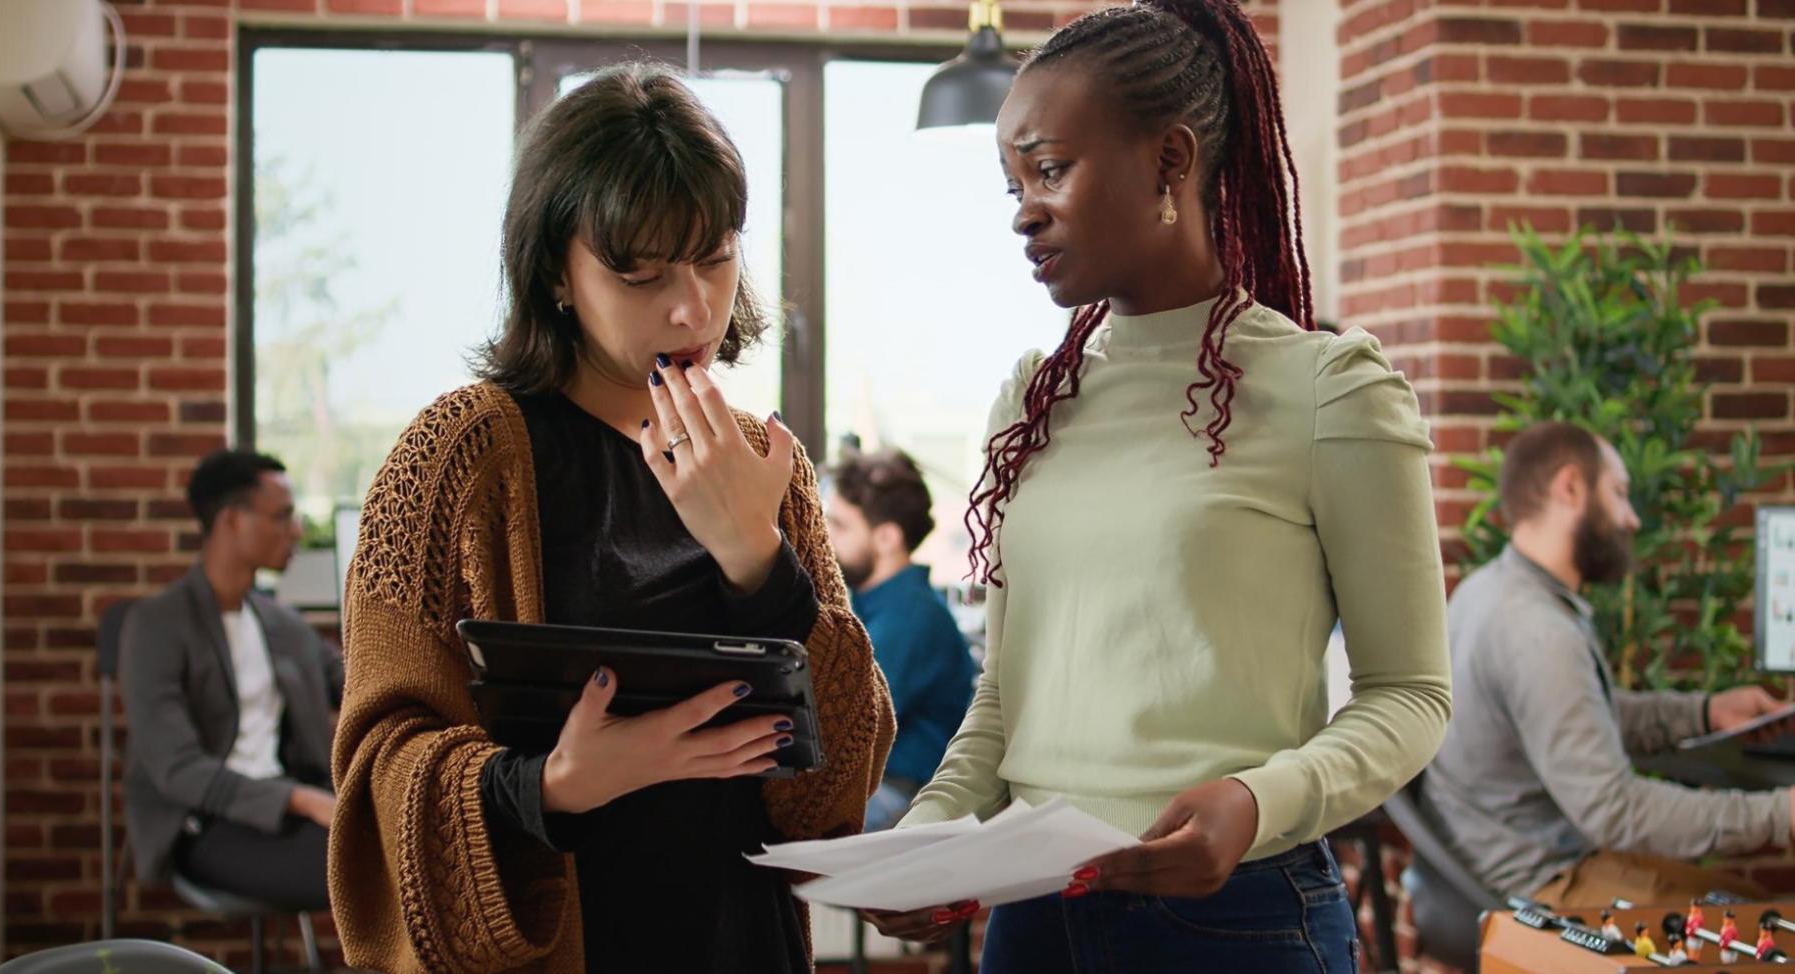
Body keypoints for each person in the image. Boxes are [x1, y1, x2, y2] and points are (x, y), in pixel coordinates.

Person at [860, 1, 1452, 969]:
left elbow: (1410, 694)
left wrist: (1257, 800)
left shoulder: (1326, 389)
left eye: (1050, 169)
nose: (1023, 209)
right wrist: (930, 834)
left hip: (1238, 922)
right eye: (1011, 182)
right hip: (1033, 921)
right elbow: (1006, 701)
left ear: (1170, 161)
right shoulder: (1030, 399)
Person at [327, 63, 893, 974]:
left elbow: (837, 787)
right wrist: (549, 786)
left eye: (715, 257)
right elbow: (375, 778)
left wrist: (757, 554)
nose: (692, 306)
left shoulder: (763, 463)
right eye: (641, 274)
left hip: (741, 940)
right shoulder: (456, 458)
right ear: (557, 270)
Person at [1421, 421, 1795, 908]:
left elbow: (1577, 716)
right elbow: (1614, 810)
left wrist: (1704, 713)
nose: (1632, 519)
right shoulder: (1538, 630)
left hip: (1505, 868)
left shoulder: (1490, 590)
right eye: (1619, 493)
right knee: (1770, 925)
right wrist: (1779, 813)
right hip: (1546, 887)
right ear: (1571, 487)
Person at [120, 449, 343, 910]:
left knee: (408, 853)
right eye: (282, 516)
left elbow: (355, 681)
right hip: (208, 823)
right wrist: (302, 800)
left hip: (293, 811)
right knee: (368, 871)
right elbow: (178, 770)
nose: (297, 530)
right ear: (232, 521)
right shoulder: (157, 625)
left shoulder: (281, 624)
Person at [825, 448, 979, 832]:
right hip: (878, 783)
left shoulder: (910, 618)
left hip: (904, 792)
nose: (826, 535)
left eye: (840, 526)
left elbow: (842, 730)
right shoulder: (868, 601)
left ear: (887, 537)